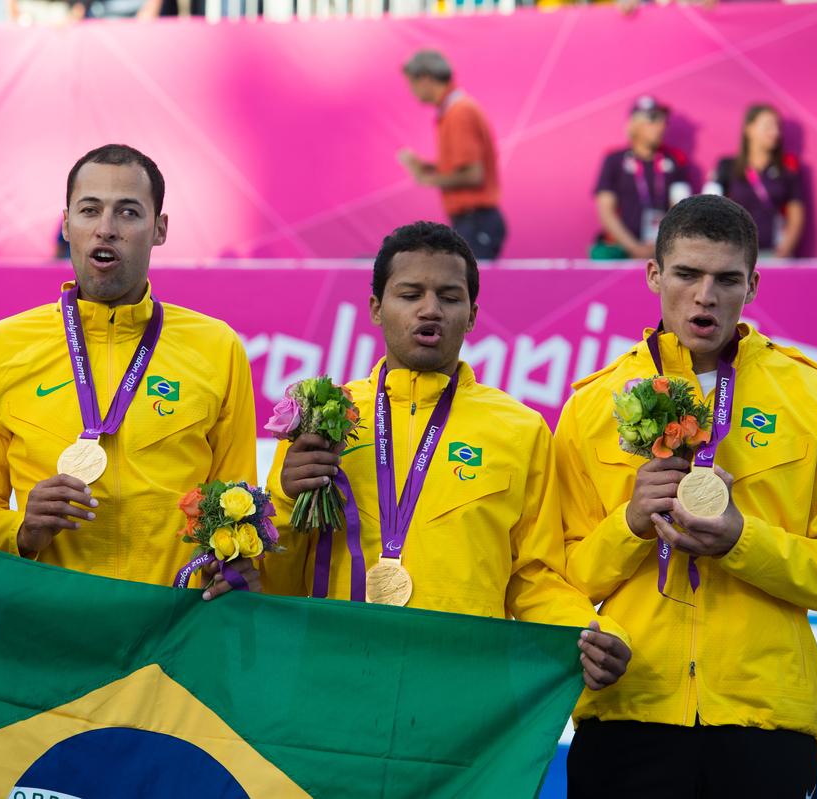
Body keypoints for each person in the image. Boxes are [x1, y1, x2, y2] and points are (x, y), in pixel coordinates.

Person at [556, 195, 817, 798]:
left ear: (753, 283)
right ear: (654, 275)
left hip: (765, 719)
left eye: (726, 279)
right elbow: (557, 577)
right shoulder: (592, 406)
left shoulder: (814, 398)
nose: (705, 295)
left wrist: (743, 541)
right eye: (687, 274)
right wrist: (629, 526)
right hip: (628, 708)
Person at [263, 221, 632, 692]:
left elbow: (534, 577)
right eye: (410, 294)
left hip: (461, 695)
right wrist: (285, 499)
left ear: (473, 314)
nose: (430, 310)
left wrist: (588, 631)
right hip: (335, 681)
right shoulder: (320, 418)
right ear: (376, 308)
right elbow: (278, 583)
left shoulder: (520, 430)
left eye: (450, 297)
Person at [0, 144, 259, 598]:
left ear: (159, 229)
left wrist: (234, 567)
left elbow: (239, 510)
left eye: (128, 213)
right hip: (52, 639)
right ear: (66, 224)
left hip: (174, 638)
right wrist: (21, 531)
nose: (106, 229)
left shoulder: (217, 347)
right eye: (89, 210)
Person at [397, 51, 506, 260]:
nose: (412, 91)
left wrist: (427, 178)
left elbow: (474, 175)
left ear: (426, 79)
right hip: (472, 221)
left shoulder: (459, 112)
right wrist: (428, 168)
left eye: (412, 83)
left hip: (476, 220)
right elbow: (463, 169)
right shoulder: (453, 110)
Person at [590, 96, 691, 260]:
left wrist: (660, 245)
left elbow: (682, 208)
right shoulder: (614, 160)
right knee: (600, 255)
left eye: (664, 120)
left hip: (664, 247)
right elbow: (606, 211)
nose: (661, 126)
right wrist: (634, 247)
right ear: (633, 125)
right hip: (623, 247)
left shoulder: (675, 160)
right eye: (652, 119)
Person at [707, 104, 805, 258]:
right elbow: (708, 207)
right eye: (768, 126)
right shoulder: (726, 165)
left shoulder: (788, 169)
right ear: (749, 129)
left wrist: (785, 249)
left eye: (777, 126)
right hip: (735, 255)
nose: (775, 132)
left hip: (774, 254)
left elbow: (796, 213)